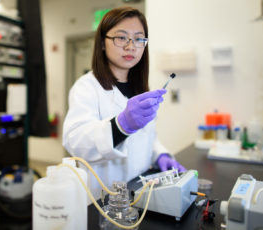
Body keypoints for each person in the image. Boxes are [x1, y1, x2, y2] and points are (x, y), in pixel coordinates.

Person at [62, 6, 186, 200]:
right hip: (103, 198)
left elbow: (147, 138)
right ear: (102, 43)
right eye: (121, 37)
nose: (131, 46)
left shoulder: (141, 88)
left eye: (138, 38)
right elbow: (76, 142)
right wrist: (121, 125)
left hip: (142, 194)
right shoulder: (86, 87)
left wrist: (161, 155)